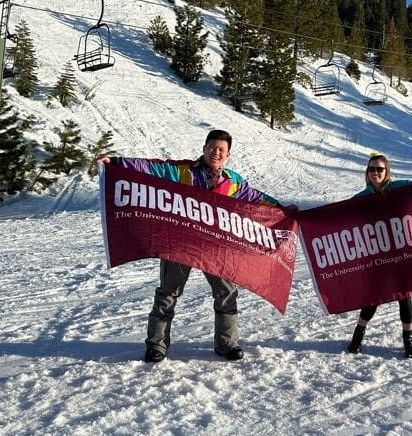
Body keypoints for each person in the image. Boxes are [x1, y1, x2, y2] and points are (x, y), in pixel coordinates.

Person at [100, 129, 285, 363]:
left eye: (221, 150)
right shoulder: (183, 172)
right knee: (168, 293)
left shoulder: (234, 182)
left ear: (228, 154)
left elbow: (257, 199)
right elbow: (151, 167)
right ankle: (156, 345)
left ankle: (226, 344)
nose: (215, 153)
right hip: (180, 245)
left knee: (226, 293)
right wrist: (116, 163)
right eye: (212, 147)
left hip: (216, 248)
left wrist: (282, 209)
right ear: (204, 148)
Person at [346, 152, 412, 358]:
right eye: (371, 169)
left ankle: (408, 340)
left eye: (379, 169)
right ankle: (358, 335)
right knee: (374, 295)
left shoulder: (399, 187)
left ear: (387, 172)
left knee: (404, 296)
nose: (375, 173)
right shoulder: (362, 198)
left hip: (401, 251)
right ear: (367, 173)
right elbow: (337, 214)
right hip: (375, 253)